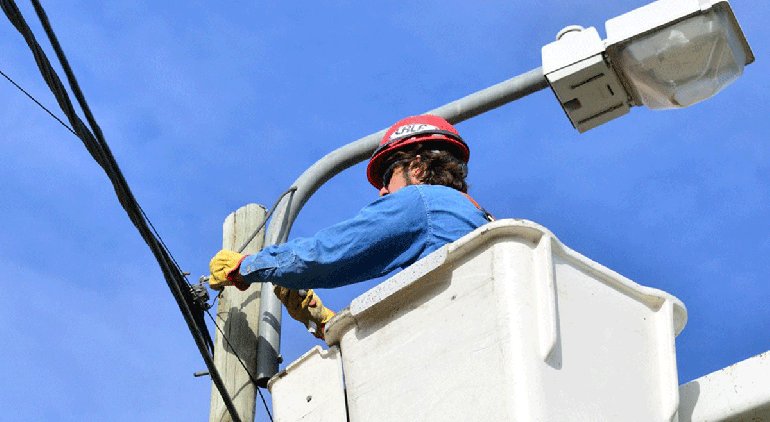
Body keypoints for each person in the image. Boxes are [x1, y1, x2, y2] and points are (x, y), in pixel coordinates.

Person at [209, 114, 493, 338]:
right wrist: (327, 323)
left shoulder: (422, 201)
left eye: (387, 177)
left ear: (416, 169)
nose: (382, 191)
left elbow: (329, 252)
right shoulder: (475, 217)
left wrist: (247, 266)